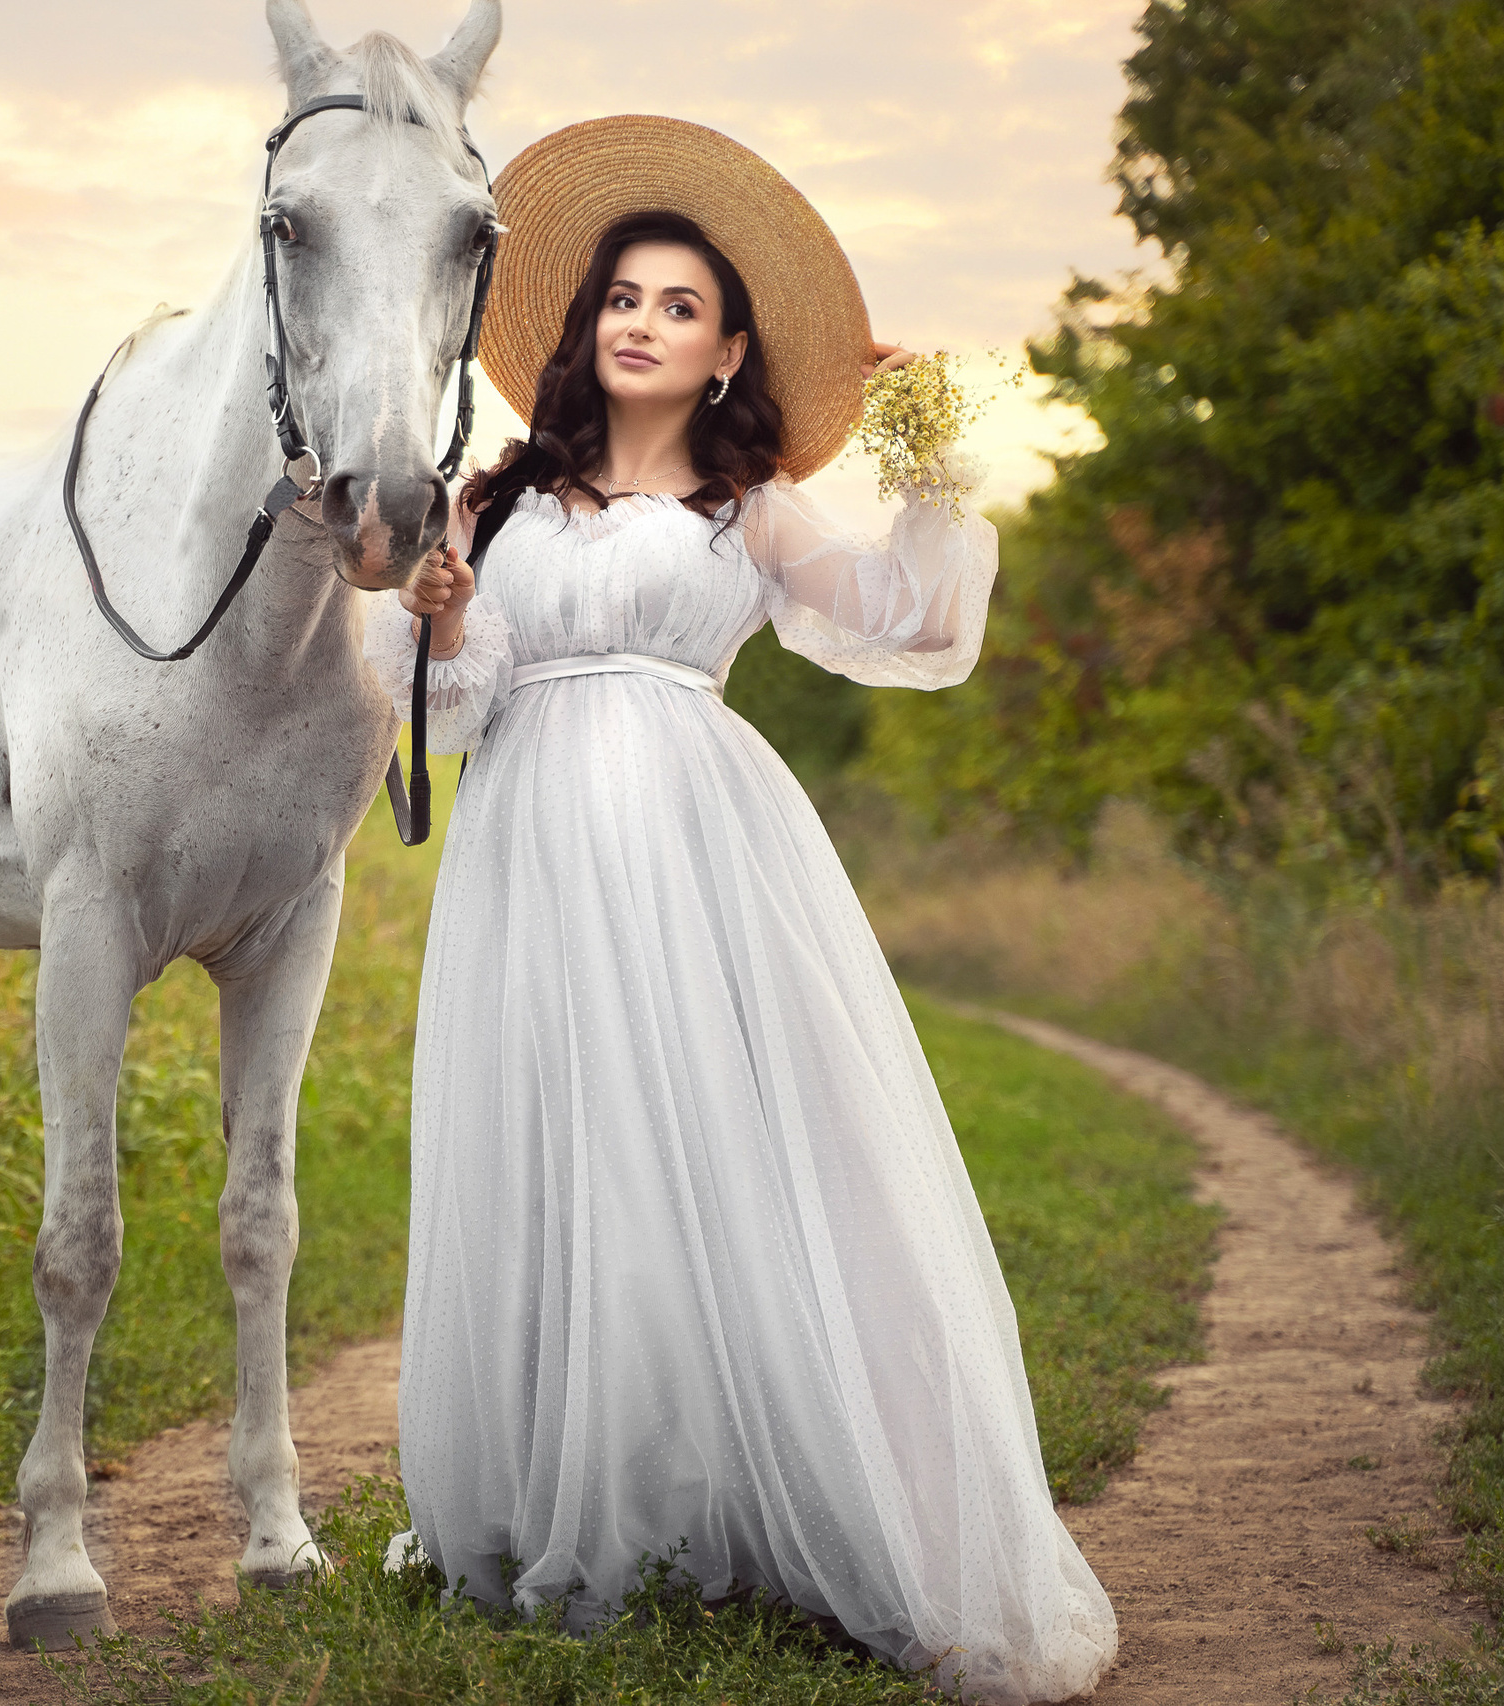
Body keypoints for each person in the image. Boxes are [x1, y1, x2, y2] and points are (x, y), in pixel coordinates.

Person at [364, 116, 1118, 1704]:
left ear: (726, 354)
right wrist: (430, 611)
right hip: (532, 854)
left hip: (702, 847)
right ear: (584, 329)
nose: (640, 321)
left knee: (727, 1142)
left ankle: (822, 1496)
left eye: (679, 305)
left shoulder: (747, 504)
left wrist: (928, 461)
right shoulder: (492, 504)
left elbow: (907, 623)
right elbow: (459, 709)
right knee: (561, 1145)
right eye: (620, 297)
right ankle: (571, 1498)